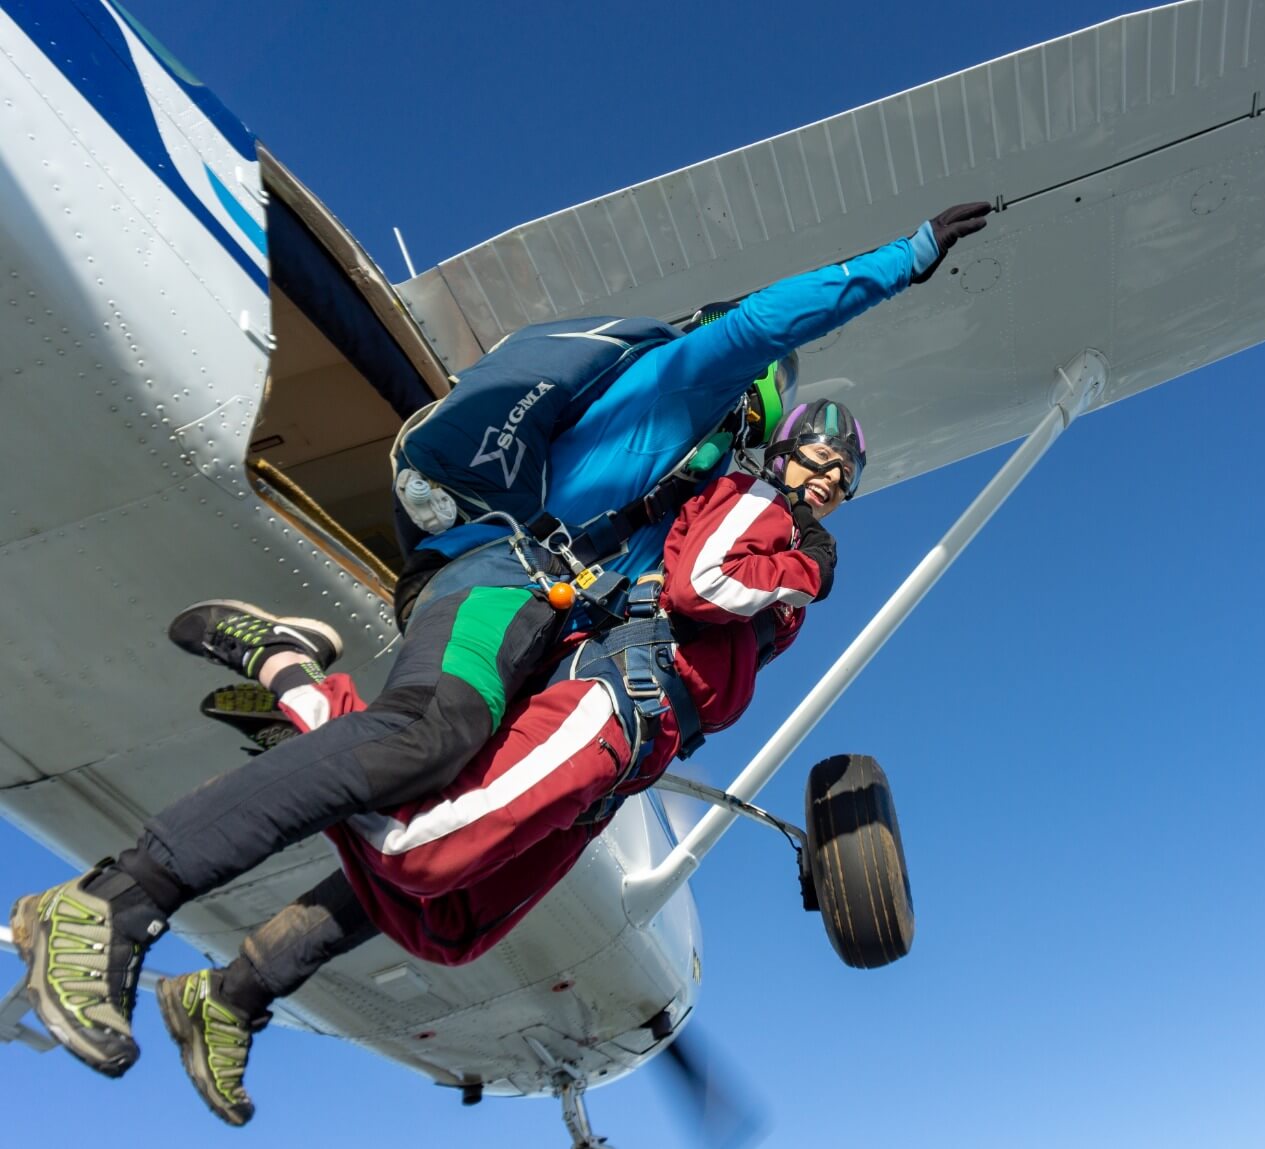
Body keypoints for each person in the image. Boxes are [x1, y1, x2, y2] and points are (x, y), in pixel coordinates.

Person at [6, 201, 985, 1091]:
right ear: (758, 408)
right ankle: (118, 900)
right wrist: (903, 260)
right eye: (767, 441)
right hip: (497, 571)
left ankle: (236, 982)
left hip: (543, 609)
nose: (755, 464)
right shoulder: (680, 386)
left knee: (450, 870)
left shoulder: (683, 497)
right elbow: (763, 326)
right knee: (433, 734)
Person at [72, 401, 863, 1125]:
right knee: (418, 852)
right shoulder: (762, 508)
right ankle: (297, 681)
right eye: (818, 455)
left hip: (629, 765)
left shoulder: (786, 558)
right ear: (782, 450)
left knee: (450, 927)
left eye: (845, 472)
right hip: (614, 702)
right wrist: (808, 567)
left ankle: (227, 993)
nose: (828, 477)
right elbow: (702, 584)